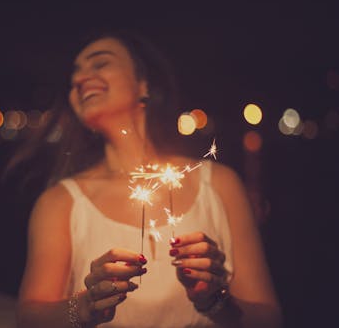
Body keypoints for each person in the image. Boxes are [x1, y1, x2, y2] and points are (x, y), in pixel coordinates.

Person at [15, 30, 283, 328]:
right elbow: (29, 318)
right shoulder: (60, 202)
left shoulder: (219, 184)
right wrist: (84, 307)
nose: (80, 79)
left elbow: (269, 320)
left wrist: (215, 301)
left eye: (100, 63)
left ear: (144, 84)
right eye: (74, 75)